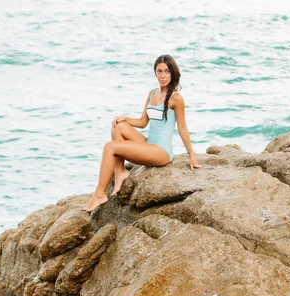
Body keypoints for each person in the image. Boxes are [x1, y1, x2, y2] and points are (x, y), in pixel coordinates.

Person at [83, 54, 201, 212]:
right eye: (159, 71)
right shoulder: (152, 93)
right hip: (149, 145)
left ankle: (99, 194)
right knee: (117, 126)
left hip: (161, 152)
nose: (163, 75)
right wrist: (125, 118)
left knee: (110, 147)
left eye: (166, 71)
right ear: (155, 73)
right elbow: (143, 122)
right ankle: (120, 172)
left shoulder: (176, 98)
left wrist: (191, 155)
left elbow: (182, 128)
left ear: (172, 73)